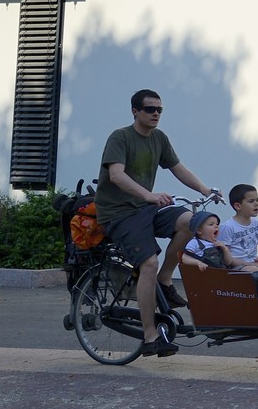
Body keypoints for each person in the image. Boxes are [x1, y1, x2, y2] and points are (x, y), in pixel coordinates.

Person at [95, 88, 221, 358]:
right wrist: (148, 195)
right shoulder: (120, 137)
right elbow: (116, 175)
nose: (156, 114)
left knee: (191, 221)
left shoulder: (159, 138)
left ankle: (166, 278)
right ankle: (151, 336)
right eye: (150, 109)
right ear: (135, 111)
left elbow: (177, 167)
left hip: (145, 208)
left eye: (159, 110)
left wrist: (204, 189)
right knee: (148, 262)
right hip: (119, 213)